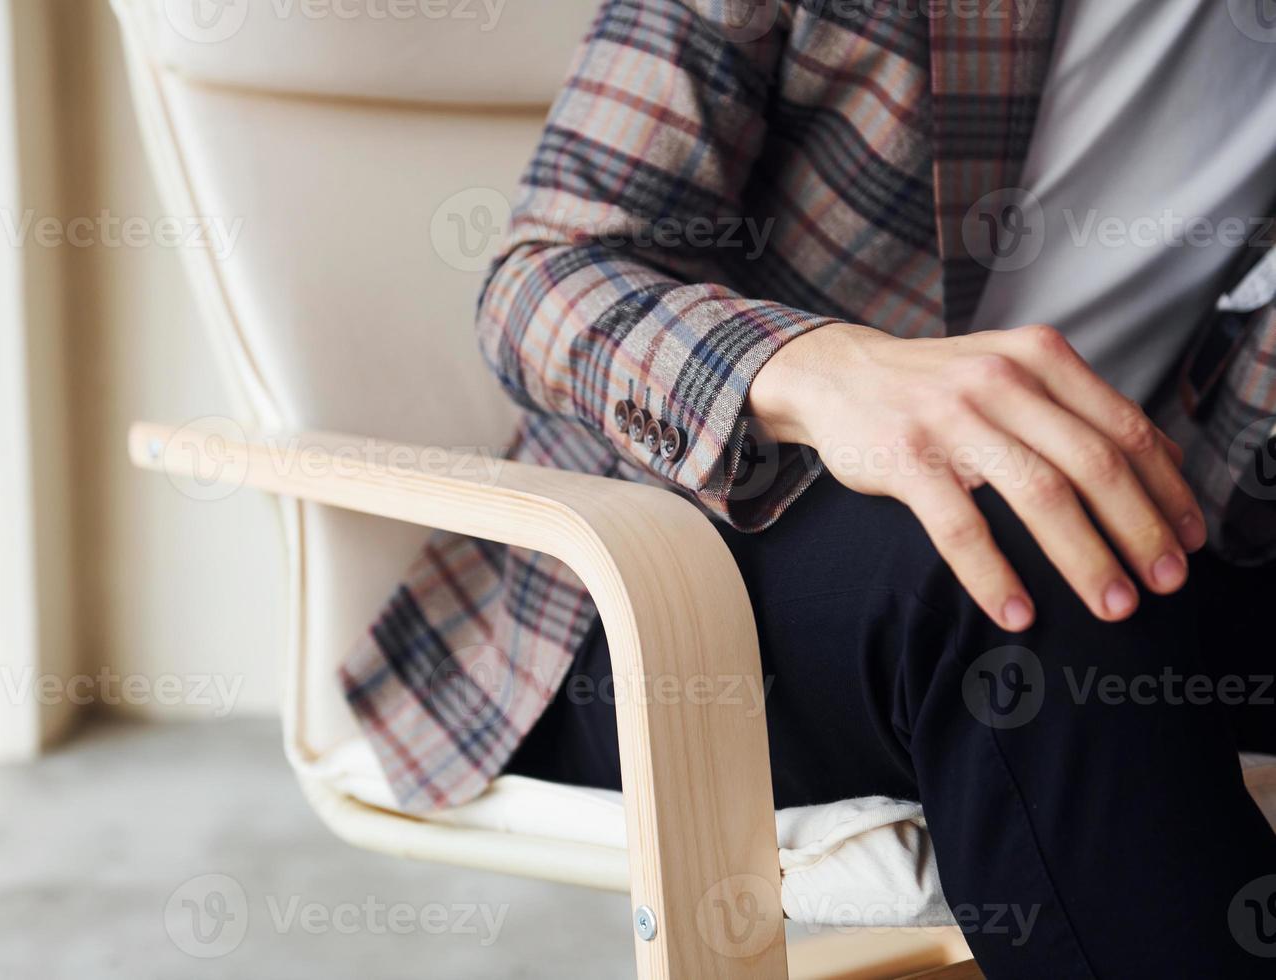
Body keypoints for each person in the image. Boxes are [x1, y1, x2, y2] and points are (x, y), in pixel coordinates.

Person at [341, 1, 1276, 973]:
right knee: (1021, 564)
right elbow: (539, 279)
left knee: (1068, 553)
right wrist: (827, 372)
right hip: (660, 587)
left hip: (1150, 538)